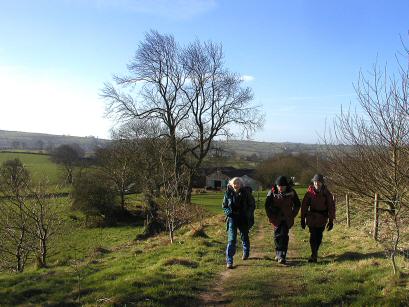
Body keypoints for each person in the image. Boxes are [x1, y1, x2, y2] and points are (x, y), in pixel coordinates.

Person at [265, 175, 301, 264]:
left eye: (282, 186)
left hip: (286, 218)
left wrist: (293, 214)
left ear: (286, 186)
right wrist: (270, 216)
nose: (280, 188)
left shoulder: (292, 192)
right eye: (279, 186)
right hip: (276, 218)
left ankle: (282, 255)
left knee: (284, 235)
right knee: (277, 235)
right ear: (276, 186)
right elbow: (267, 206)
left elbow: (297, 204)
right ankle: (278, 253)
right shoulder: (271, 193)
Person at [301, 174, 336, 263]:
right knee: (313, 236)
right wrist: (302, 218)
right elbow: (304, 206)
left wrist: (331, 220)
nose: (317, 183)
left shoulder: (326, 193)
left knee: (319, 236)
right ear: (313, 182)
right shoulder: (309, 193)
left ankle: (314, 253)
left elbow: (331, 207)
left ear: (322, 183)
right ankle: (314, 254)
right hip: (311, 218)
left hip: (322, 218)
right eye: (315, 182)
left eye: (319, 182)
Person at [222, 177, 255, 269]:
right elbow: (224, 206)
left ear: (241, 184)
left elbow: (252, 205)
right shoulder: (227, 193)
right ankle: (229, 261)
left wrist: (247, 214)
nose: (236, 185)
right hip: (232, 219)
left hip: (243, 219)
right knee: (231, 239)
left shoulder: (246, 193)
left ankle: (246, 252)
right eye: (234, 183)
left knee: (244, 236)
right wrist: (229, 212)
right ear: (231, 184)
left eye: (238, 183)